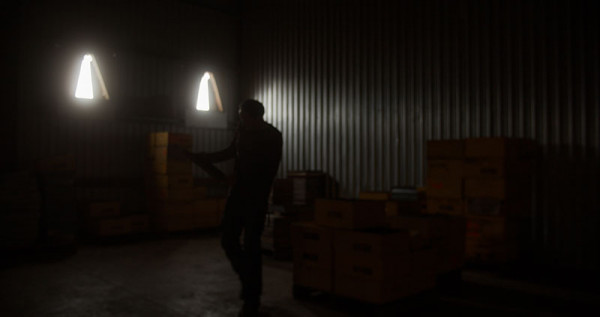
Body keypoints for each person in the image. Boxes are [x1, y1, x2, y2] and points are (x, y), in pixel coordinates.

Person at [186, 99, 282, 316]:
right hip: (238, 194)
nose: (240, 119)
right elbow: (231, 152)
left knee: (251, 246)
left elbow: (268, 170)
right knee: (227, 239)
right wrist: (206, 158)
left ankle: (252, 299)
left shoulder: (272, 136)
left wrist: (239, 180)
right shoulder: (242, 131)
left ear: (255, 116)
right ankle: (248, 280)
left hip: (256, 198)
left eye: (243, 116)